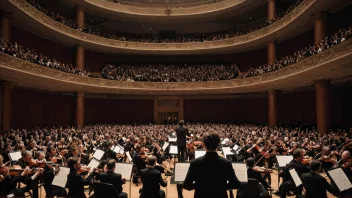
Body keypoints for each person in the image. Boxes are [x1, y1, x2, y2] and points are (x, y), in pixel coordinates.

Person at [183, 132, 241, 198]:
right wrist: (221, 186)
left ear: (204, 145)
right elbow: (236, 184)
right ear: (218, 145)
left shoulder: (195, 163)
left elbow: (186, 185)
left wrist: (199, 185)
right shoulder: (226, 163)